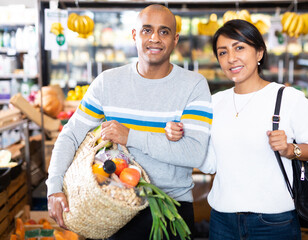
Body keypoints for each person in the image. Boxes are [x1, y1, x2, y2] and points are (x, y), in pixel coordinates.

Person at [46, 4, 212, 240]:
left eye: (164, 32)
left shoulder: (193, 86)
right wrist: (54, 188)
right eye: (146, 30)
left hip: (171, 212)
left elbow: (193, 153)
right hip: (114, 207)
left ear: (175, 40)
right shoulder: (107, 82)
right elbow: (70, 135)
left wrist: (129, 136)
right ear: (135, 35)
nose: (154, 38)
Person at [165, 19, 308, 240]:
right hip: (222, 220)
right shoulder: (214, 104)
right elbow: (211, 165)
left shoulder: (287, 98)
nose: (231, 58)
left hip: (275, 221)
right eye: (223, 52)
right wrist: (182, 136)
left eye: (239, 48)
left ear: (259, 52)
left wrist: (291, 150)